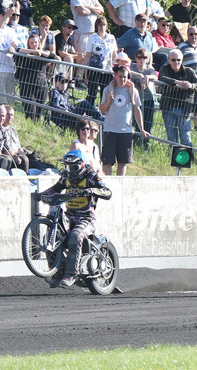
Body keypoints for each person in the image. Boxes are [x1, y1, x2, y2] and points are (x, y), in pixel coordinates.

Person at [42, 150, 113, 288]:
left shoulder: (91, 176)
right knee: (51, 236)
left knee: (75, 236)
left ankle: (71, 274)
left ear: (81, 165)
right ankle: (56, 273)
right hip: (68, 217)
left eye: (73, 167)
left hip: (86, 218)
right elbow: (55, 189)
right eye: (67, 167)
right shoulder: (65, 177)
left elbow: (107, 192)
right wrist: (42, 195)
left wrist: (92, 191)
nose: (70, 171)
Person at [98, 65, 148, 176]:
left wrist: (142, 129)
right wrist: (109, 100)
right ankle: (107, 187)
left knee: (123, 163)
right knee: (107, 162)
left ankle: (120, 186)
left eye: (125, 77)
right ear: (116, 76)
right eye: (120, 77)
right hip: (110, 130)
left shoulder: (132, 91)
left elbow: (137, 110)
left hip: (126, 131)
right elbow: (102, 110)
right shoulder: (108, 89)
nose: (123, 79)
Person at [158, 49, 197, 146]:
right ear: (168, 60)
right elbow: (163, 77)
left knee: (186, 137)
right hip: (168, 108)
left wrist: (191, 85)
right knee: (171, 137)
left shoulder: (189, 71)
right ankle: (174, 159)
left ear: (182, 60)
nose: (176, 62)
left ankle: (187, 159)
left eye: (178, 60)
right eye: (173, 60)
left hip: (184, 109)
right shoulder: (164, 69)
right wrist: (178, 83)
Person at [83, 16, 117, 105]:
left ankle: (103, 114)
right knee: (92, 92)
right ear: (96, 26)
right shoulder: (92, 37)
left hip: (108, 69)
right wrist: (83, 70)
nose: (102, 27)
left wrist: (116, 66)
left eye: (104, 25)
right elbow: (88, 55)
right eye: (100, 25)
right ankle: (88, 111)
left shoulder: (111, 38)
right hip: (94, 68)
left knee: (105, 93)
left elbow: (114, 55)